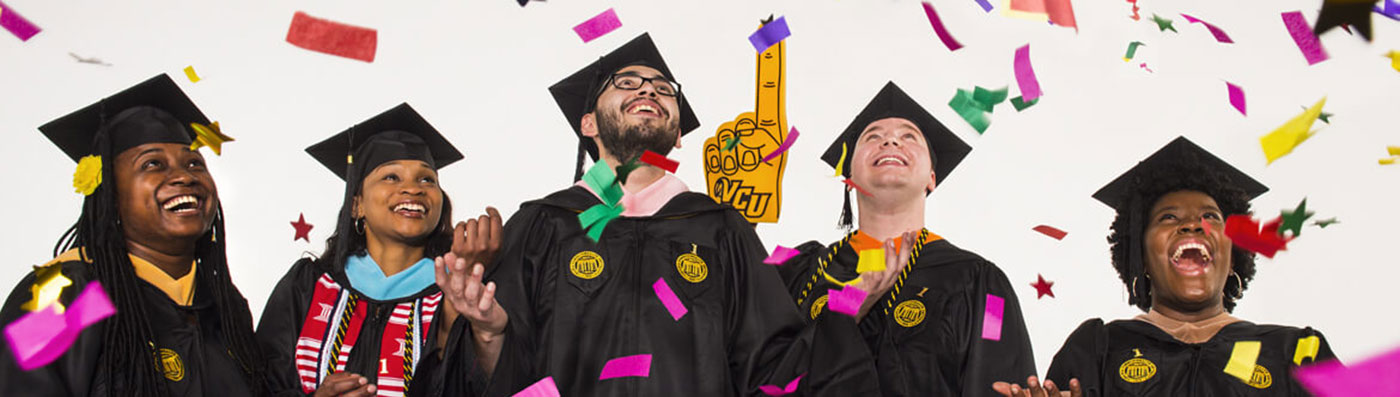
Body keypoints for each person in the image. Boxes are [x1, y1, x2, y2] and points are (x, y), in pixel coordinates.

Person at [476, 32, 879, 396]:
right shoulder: (543, 224)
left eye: (663, 89)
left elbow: (775, 366)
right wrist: (486, 332)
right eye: (628, 83)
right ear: (588, 123)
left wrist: (844, 315)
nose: (649, 90)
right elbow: (498, 371)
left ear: (679, 134)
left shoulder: (720, 228)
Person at [993, 136, 1336, 397]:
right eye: (1168, 217)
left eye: (1211, 217)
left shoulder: (1296, 352)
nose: (1192, 226)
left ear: (1234, 253)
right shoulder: (1099, 348)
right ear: (1140, 256)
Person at [0, 74, 266, 396]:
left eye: (195, 163)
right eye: (153, 164)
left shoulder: (224, 306)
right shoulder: (61, 294)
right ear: (110, 193)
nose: (184, 176)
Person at [777, 82, 1037, 396]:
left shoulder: (984, 285)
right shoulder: (798, 272)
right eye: (872, 137)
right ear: (848, 180)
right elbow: (765, 375)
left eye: (909, 137)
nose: (889, 140)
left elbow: (999, 379)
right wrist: (848, 304)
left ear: (931, 177)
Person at [257, 103, 506, 396]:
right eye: (391, 177)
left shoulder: (459, 292)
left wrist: (488, 332)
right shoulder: (308, 286)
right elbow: (260, 385)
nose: (413, 189)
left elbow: (490, 385)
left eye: (427, 179)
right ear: (356, 204)